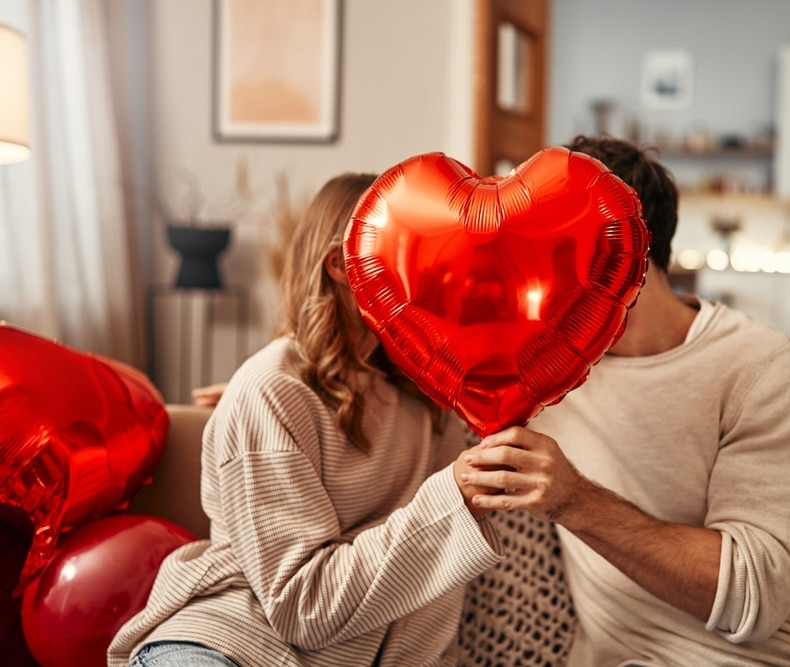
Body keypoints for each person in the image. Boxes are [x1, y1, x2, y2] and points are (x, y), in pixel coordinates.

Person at [460, 135, 790, 666]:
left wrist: (574, 500)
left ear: (626, 247)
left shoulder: (765, 369)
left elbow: (753, 596)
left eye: (554, 245)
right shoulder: (534, 369)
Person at [108, 173, 504, 667]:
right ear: (342, 264)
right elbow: (303, 604)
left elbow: (429, 586)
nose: (435, 267)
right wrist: (453, 501)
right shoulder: (272, 390)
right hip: (232, 642)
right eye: (412, 245)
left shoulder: (428, 405)